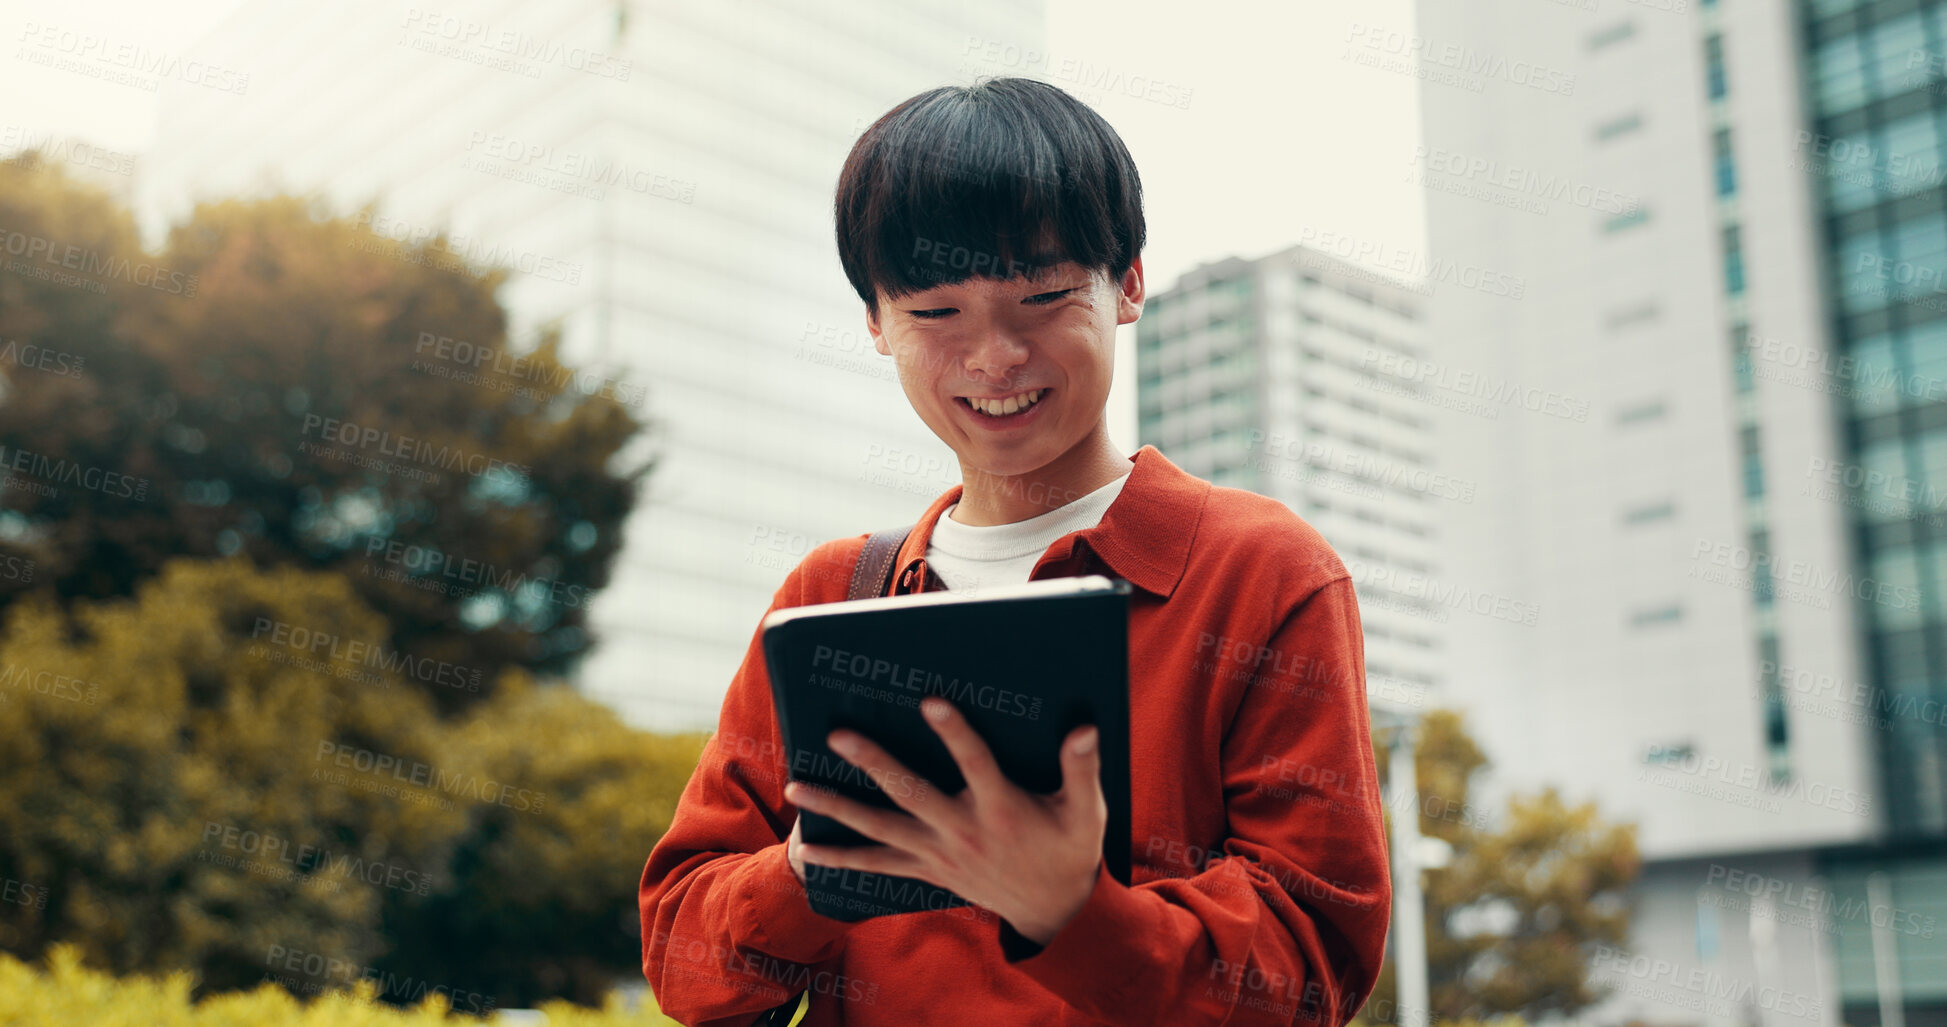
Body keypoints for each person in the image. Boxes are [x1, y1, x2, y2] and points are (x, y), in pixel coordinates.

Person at [638, 75, 1392, 1027]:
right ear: (875, 323)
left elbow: (1312, 962)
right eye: (935, 313)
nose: (994, 356)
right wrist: (808, 871)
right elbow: (678, 955)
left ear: (1126, 283)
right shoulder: (830, 594)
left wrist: (1072, 912)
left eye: (1040, 296)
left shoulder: (1261, 573)